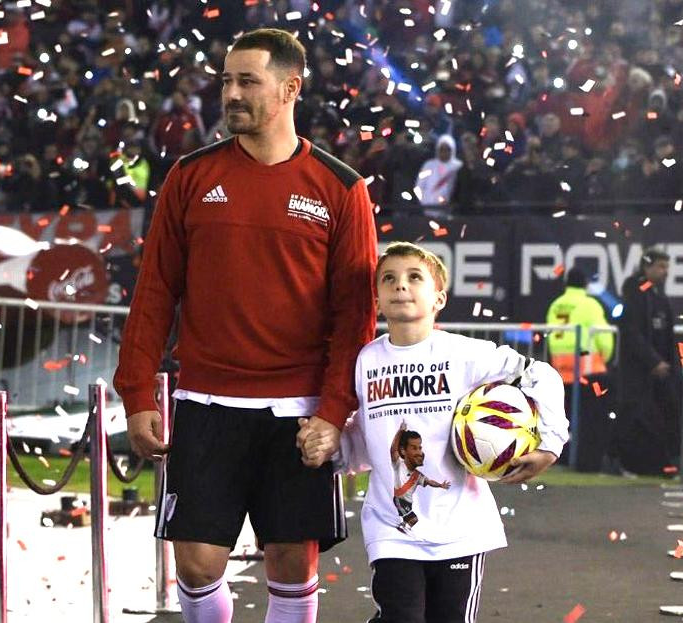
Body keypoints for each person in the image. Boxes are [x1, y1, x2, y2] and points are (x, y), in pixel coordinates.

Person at [113, 28, 377, 623]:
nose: (230, 93)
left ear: (290, 88)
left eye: (246, 81)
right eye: (226, 81)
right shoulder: (189, 175)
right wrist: (135, 389)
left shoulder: (342, 188)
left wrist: (334, 411)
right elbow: (155, 289)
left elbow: (354, 318)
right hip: (207, 402)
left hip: (300, 412)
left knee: (290, 563)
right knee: (197, 565)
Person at [300, 242, 568, 623]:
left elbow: (541, 374)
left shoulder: (465, 354)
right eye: (388, 279)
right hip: (392, 528)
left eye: (414, 277)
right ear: (376, 299)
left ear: (439, 297)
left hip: (460, 528)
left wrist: (550, 444)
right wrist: (330, 447)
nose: (400, 286)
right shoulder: (364, 361)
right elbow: (365, 440)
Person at [614, 248, 681, 474]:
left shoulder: (658, 296)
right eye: (661, 267)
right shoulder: (636, 292)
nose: (666, 272)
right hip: (638, 372)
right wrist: (653, 361)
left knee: (661, 416)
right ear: (647, 267)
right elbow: (632, 332)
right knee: (636, 417)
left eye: (667, 267)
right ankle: (625, 463)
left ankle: (657, 464)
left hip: (659, 371)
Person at [545, 267, 614, 385]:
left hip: (560, 371)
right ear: (586, 284)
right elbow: (604, 338)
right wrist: (606, 357)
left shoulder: (555, 305)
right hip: (588, 371)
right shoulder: (590, 304)